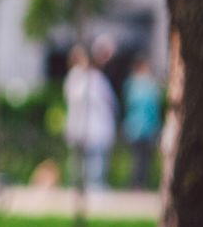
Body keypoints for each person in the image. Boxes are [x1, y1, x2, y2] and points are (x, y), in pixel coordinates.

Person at [63, 44, 117, 193]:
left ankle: (89, 186)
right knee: (86, 161)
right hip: (86, 127)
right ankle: (87, 186)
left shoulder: (91, 78)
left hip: (91, 128)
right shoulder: (82, 78)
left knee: (89, 161)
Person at [121, 55, 163, 191]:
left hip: (134, 126)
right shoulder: (150, 85)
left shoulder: (131, 84)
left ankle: (136, 183)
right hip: (146, 127)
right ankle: (139, 183)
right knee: (143, 158)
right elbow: (154, 108)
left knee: (137, 157)